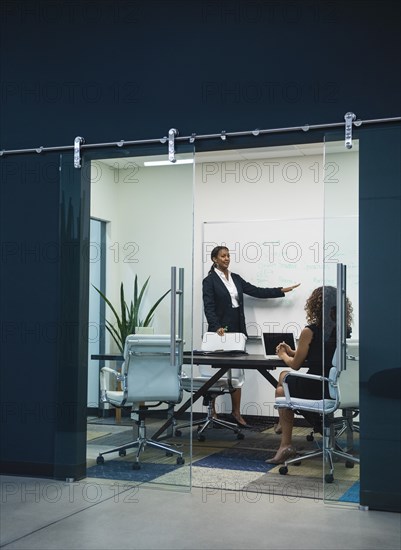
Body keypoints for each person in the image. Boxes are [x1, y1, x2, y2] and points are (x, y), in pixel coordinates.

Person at [203, 245, 300, 428]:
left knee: (237, 373)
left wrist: (280, 290)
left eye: (228, 255)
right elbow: (208, 305)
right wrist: (216, 327)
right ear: (215, 259)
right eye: (223, 256)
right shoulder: (209, 281)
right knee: (216, 373)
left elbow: (256, 291)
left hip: (238, 330)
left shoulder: (236, 279)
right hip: (220, 332)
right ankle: (213, 412)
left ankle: (236, 412)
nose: (227, 258)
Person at [266, 285, 353, 464]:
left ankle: (285, 442)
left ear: (315, 305)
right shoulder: (344, 330)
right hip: (335, 385)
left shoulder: (310, 331)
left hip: (317, 385)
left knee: (282, 389)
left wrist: (283, 355)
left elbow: (296, 365)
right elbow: (320, 354)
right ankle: (285, 425)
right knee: (284, 379)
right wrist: (292, 351)